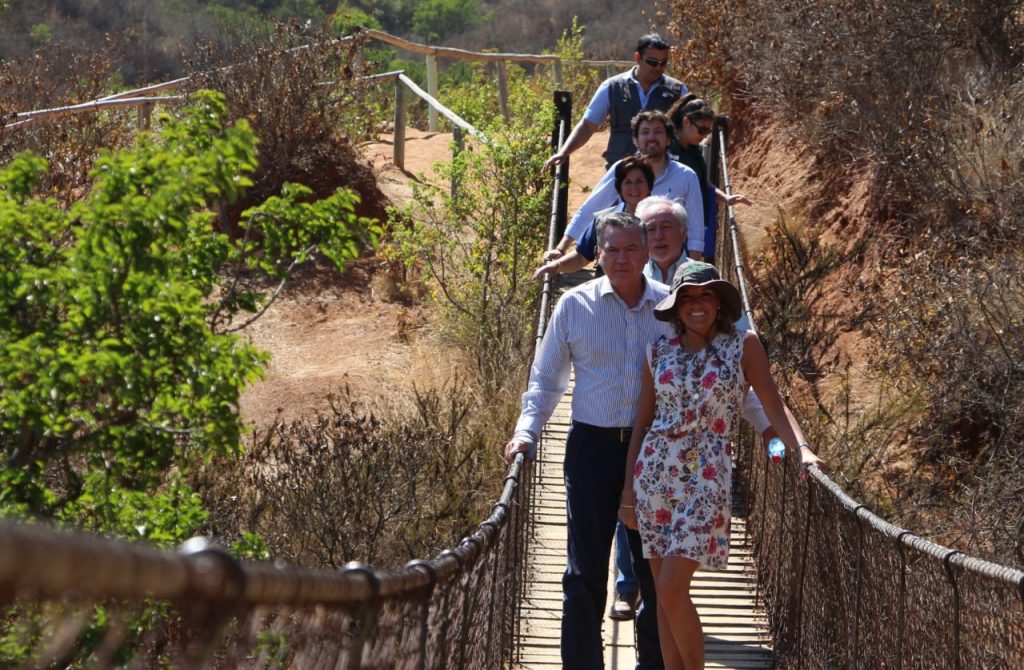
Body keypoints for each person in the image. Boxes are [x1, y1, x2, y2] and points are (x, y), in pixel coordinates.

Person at [619, 262, 825, 670]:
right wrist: (627, 490)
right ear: (676, 307)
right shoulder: (657, 350)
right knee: (662, 592)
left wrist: (799, 447)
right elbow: (642, 422)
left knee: (674, 588)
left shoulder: (743, 344)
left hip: (706, 475)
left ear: (719, 303)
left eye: (705, 295)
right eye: (688, 297)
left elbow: (772, 402)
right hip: (655, 476)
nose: (697, 304)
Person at [505, 212, 668, 669]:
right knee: (584, 571)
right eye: (612, 249)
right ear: (597, 254)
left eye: (631, 248)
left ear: (645, 252)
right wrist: (526, 433)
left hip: (653, 453)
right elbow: (546, 380)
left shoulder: (669, 307)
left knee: (652, 572)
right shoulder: (574, 306)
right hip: (591, 448)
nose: (622, 258)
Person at [547, 111, 704, 266]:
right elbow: (592, 207)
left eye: (658, 132)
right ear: (635, 139)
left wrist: (693, 269)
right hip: (624, 262)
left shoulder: (686, 176)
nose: (651, 138)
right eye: (645, 132)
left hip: (669, 264)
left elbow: (695, 228)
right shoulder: (622, 170)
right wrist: (561, 248)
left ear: (669, 139)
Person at [544, 33, 686, 170]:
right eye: (652, 62)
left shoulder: (677, 90)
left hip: (663, 173)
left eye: (663, 63)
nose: (658, 68)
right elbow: (588, 125)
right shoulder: (612, 87)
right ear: (637, 57)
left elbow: (689, 130)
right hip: (621, 174)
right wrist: (564, 152)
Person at [532, 156, 654, 280]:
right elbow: (581, 257)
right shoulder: (603, 220)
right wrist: (556, 265)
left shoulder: (660, 219)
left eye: (639, 181)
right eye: (628, 182)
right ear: (619, 187)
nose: (634, 188)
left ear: (649, 185)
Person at [666, 94, 753, 263]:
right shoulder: (668, 149)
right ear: (686, 122)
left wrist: (726, 198)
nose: (704, 136)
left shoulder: (694, 150)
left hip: (694, 226)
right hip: (674, 227)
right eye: (702, 130)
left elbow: (703, 184)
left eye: (708, 131)